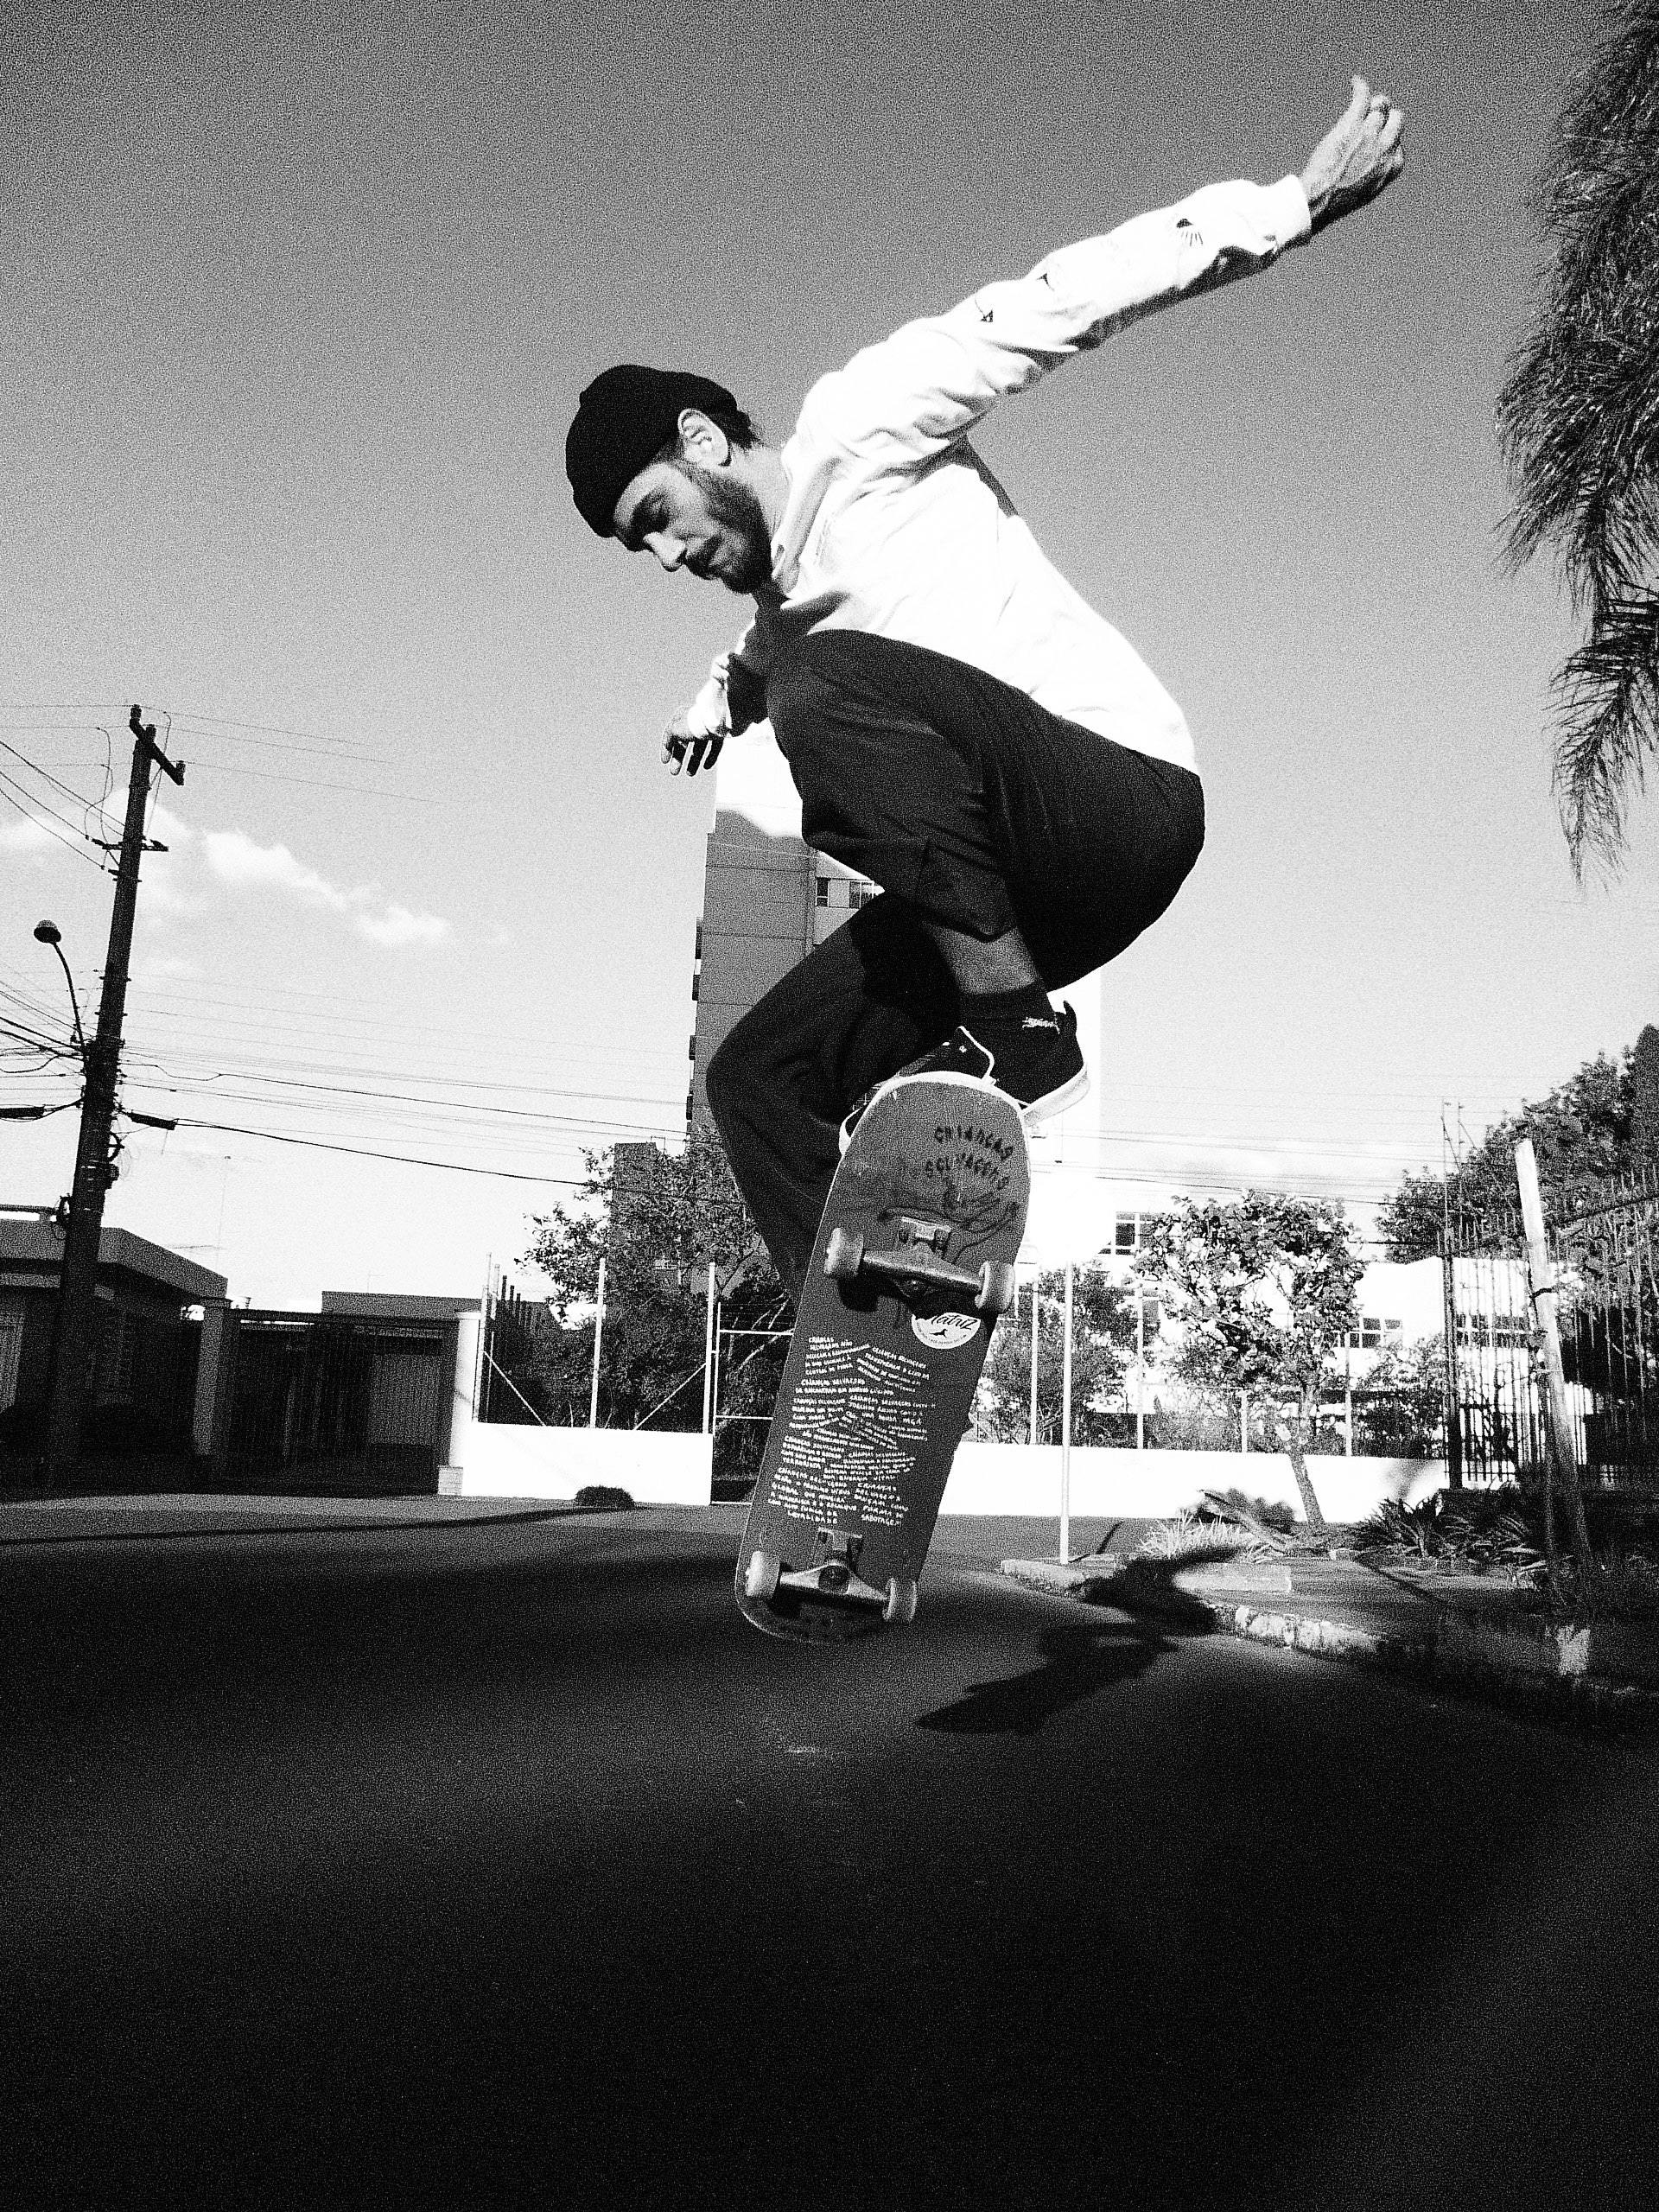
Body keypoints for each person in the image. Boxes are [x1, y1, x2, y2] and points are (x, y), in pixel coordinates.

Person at [566, 78, 1404, 1300]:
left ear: (701, 444)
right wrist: (709, 703)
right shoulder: (780, 617)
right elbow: (755, 651)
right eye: (638, 550)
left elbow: (1059, 302)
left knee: (817, 684)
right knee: (756, 1079)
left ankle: (1017, 1033)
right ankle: (865, 1324)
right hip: (1011, 908)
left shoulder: (860, 428)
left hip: (1117, 797)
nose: (665, 554)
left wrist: (1291, 205)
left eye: (657, 518)